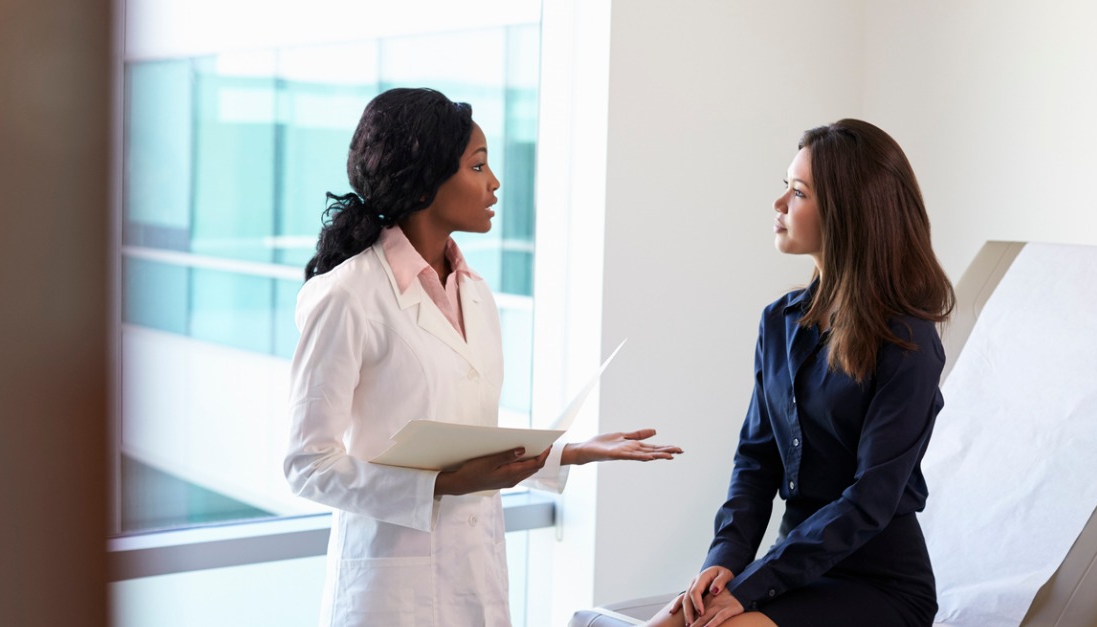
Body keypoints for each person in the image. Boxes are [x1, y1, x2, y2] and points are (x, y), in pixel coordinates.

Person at [284, 87, 682, 627]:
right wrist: (441, 486)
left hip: (477, 576)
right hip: (390, 594)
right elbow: (308, 466)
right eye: (477, 166)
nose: (494, 183)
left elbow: (468, 436)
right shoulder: (348, 296)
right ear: (426, 176)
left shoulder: (475, 292)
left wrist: (570, 451)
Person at [645, 119, 954, 627]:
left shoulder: (908, 342)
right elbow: (756, 459)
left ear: (847, 212)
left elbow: (869, 502)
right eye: (785, 186)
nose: (779, 204)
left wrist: (752, 586)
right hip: (793, 568)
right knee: (670, 624)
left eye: (798, 192)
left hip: (880, 586)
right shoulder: (779, 320)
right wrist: (725, 561)